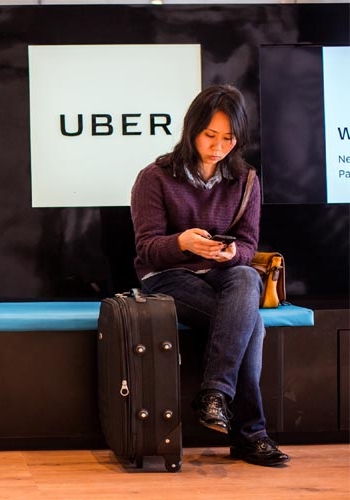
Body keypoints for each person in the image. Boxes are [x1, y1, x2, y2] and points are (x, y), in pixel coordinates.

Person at [130, 84, 289, 467]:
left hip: (224, 274)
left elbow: (248, 245)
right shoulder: (155, 177)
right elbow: (147, 248)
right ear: (192, 130)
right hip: (167, 276)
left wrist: (234, 253)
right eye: (209, 135)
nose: (218, 147)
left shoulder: (245, 180)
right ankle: (250, 434)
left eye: (228, 138)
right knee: (251, 325)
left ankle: (215, 396)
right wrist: (182, 243)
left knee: (247, 277)